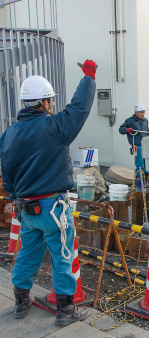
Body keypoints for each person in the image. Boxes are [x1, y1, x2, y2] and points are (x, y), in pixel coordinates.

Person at [0, 59, 97, 326]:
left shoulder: (8, 135)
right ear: (44, 103)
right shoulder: (53, 128)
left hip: (26, 209)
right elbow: (79, 109)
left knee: (27, 254)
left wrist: (14, 195)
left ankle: (21, 303)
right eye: (50, 101)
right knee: (63, 255)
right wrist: (88, 78)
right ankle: (65, 311)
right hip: (53, 209)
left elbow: (6, 174)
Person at [119, 103, 149, 191]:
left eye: (143, 112)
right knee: (140, 165)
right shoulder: (130, 121)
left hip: (146, 145)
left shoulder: (145, 120)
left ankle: (146, 183)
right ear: (136, 113)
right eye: (141, 112)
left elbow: (146, 130)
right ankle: (139, 186)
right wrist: (127, 130)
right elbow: (121, 129)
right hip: (137, 146)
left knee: (147, 165)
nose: (143, 114)